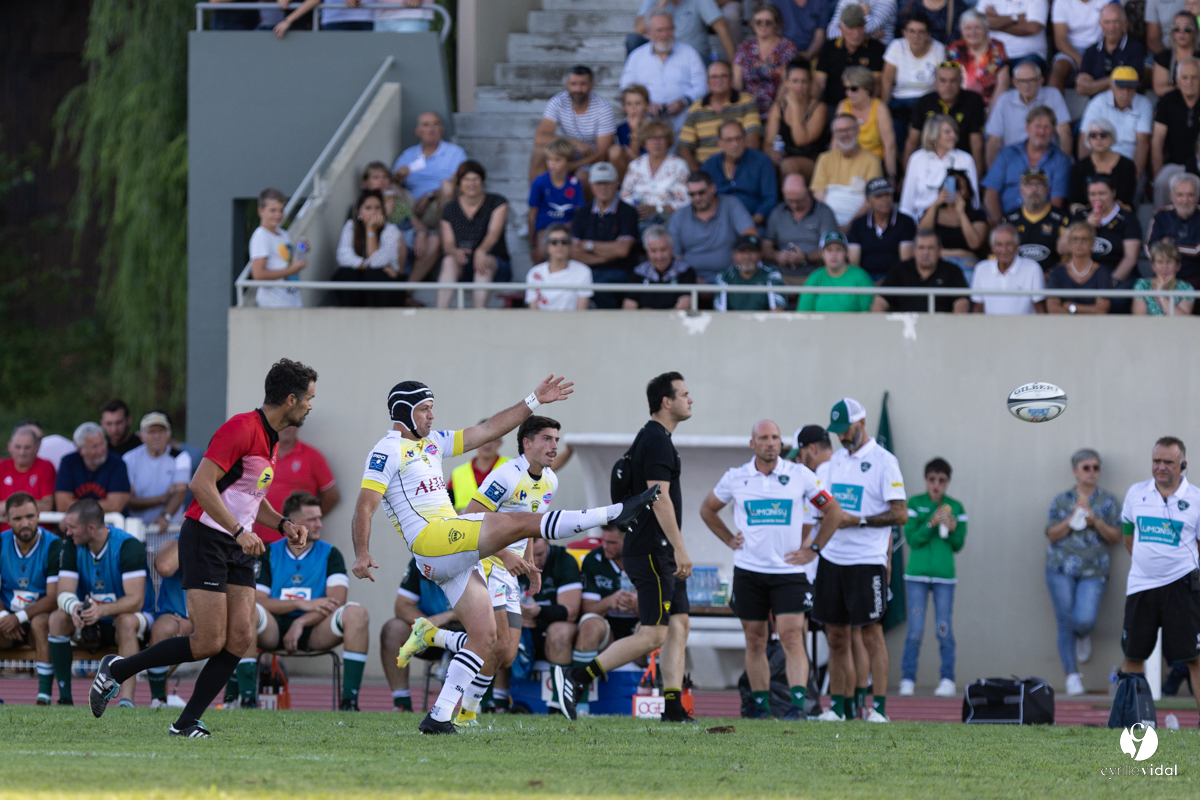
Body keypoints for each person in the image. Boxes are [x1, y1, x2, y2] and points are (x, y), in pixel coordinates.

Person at [352, 377, 660, 732]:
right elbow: (364, 505)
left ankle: (439, 717)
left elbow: (487, 429)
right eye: (424, 409)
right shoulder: (387, 449)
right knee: (515, 521)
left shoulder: (433, 442)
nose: (432, 415)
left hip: (452, 551)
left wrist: (533, 400)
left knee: (487, 639)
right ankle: (614, 513)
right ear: (403, 411)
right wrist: (362, 553)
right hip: (431, 538)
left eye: (432, 407)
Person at [84, 359, 317, 736]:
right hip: (207, 538)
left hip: (237, 542)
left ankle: (186, 721)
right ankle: (117, 669)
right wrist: (240, 530)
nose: (310, 405)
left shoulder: (271, 437)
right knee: (208, 640)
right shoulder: (241, 428)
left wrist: (285, 524)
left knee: (240, 638)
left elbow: (249, 498)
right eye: (308, 398)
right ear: (290, 399)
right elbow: (200, 485)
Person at [565, 372, 695, 723]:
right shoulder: (656, 441)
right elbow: (659, 497)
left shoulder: (651, 437)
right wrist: (680, 549)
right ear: (666, 402)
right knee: (653, 633)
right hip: (653, 549)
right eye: (684, 394)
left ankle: (672, 707)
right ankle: (579, 677)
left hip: (657, 548)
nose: (690, 399)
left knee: (679, 624)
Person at [701, 419, 836, 720]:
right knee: (755, 640)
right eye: (764, 438)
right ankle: (760, 708)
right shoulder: (736, 477)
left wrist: (813, 550)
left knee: (791, 638)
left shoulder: (798, 474)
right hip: (748, 572)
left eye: (775, 437)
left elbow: (833, 511)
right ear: (753, 444)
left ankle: (797, 708)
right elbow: (707, 509)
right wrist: (728, 539)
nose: (771, 442)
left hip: (788, 573)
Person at [794, 398, 907, 722]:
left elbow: (900, 514)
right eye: (838, 432)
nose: (842, 437)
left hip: (865, 560)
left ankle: (879, 710)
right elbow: (820, 511)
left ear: (863, 422)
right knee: (836, 637)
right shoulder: (831, 466)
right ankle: (839, 710)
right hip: (832, 559)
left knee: (871, 635)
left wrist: (857, 520)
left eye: (847, 430)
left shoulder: (885, 461)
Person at [451, 416, 562, 722]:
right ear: (527, 443)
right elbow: (470, 518)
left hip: (509, 568)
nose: (554, 446)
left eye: (556, 440)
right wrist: (503, 555)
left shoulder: (550, 480)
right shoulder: (506, 476)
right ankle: (467, 714)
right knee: (492, 641)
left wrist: (531, 564)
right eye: (547, 439)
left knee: (507, 652)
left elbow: (526, 526)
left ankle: (433, 635)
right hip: (484, 562)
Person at [250, 491, 368, 711]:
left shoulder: (331, 553)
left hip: (316, 628)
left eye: (319, 518)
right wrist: (299, 604)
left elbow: (336, 602)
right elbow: (257, 601)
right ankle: (245, 700)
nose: (319, 524)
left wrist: (301, 622)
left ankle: (349, 703)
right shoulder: (268, 554)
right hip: (273, 628)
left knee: (356, 613)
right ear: (292, 523)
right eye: (312, 519)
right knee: (246, 612)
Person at [1117, 436, 1200, 715]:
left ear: (1183, 464)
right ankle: (1130, 721)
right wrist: (1148, 565)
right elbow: (1129, 538)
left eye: (1168, 462)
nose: (1161, 467)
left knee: (1194, 658)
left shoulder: (1196, 499)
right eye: (1156, 461)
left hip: (1183, 587)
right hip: (1141, 586)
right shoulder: (1135, 493)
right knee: (1132, 655)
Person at [50, 499, 153, 708]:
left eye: (72, 527)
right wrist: (76, 609)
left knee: (125, 621)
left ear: (91, 528)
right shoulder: (71, 545)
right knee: (57, 618)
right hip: (92, 617)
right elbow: (63, 592)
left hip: (136, 617)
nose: (67, 532)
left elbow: (136, 600)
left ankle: (127, 700)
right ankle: (64, 698)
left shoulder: (128, 545)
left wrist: (101, 610)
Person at [1044, 448, 1121, 696]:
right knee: (1064, 622)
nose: (1092, 472)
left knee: (1083, 619)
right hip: (1060, 568)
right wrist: (1072, 517)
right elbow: (1050, 535)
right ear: (1075, 471)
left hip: (1094, 571)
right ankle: (1072, 677)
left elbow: (1116, 537)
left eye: (1096, 467)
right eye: (1086, 468)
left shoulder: (1107, 501)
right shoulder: (1062, 499)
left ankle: (1083, 633)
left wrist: (1095, 520)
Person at [897, 458, 966, 698]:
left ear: (947, 482)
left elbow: (958, 545)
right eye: (932, 480)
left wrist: (954, 527)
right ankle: (907, 679)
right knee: (915, 630)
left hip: (944, 577)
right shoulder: (914, 503)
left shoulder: (956, 507)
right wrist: (931, 522)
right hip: (916, 575)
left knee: (944, 629)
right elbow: (913, 539)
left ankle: (947, 678)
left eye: (942, 480)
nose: (936, 485)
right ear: (926, 480)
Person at [0, 493, 62, 705]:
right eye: (17, 519)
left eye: (29, 516)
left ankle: (43, 696)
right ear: (7, 520)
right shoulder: (1, 542)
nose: (24, 523)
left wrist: (19, 617)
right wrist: (3, 616)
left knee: (41, 623)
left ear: (38, 515)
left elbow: (54, 597)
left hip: (39, 616)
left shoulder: (54, 545)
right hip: (7, 619)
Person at [391, 112, 467, 284]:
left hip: (438, 205)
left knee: (448, 185)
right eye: (425, 125)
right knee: (389, 186)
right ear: (418, 131)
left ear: (442, 129)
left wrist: (430, 195)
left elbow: (460, 184)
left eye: (435, 124)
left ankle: (444, 236)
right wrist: (398, 177)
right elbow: (392, 184)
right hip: (411, 207)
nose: (431, 129)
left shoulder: (454, 152)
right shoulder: (408, 155)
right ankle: (413, 230)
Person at [382, 558, 457, 712]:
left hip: (467, 632)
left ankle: (488, 703)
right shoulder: (419, 559)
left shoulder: (469, 556)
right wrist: (429, 624)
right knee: (393, 629)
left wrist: (447, 617)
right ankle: (401, 702)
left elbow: (484, 609)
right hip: (431, 633)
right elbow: (402, 606)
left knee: (496, 629)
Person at [519, 538, 583, 712]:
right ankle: (495, 702)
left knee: (560, 631)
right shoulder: (510, 558)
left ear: (548, 542)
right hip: (521, 628)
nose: (534, 562)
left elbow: (571, 612)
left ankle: (558, 703)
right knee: (497, 627)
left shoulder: (563, 560)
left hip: (552, 629)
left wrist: (538, 612)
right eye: (529, 556)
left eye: (539, 554)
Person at [437, 161, 510, 310]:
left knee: (484, 262)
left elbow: (494, 234)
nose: (471, 183)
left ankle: (478, 312)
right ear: (459, 183)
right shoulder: (450, 208)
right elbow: (448, 244)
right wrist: (455, 252)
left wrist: (481, 251)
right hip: (463, 265)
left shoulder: (497, 202)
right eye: (466, 179)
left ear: (482, 181)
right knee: (448, 261)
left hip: (495, 264)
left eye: (475, 179)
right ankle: (440, 312)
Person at [620, 10, 709, 132]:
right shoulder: (636, 57)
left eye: (668, 29)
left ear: (674, 29)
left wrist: (683, 101)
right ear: (649, 33)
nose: (665, 34)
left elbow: (702, 86)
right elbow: (626, 87)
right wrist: (647, 104)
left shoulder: (689, 53)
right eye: (659, 30)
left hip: (684, 121)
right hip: (647, 122)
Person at [530, 66, 617, 186]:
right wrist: (575, 143)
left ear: (592, 85)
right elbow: (540, 138)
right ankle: (536, 203)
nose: (578, 89)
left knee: (582, 178)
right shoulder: (558, 102)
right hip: (566, 154)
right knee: (538, 153)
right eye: (573, 84)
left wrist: (571, 167)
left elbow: (602, 154)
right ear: (567, 84)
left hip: (590, 159)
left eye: (583, 84)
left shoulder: (603, 109)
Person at [982, 105, 1071, 222]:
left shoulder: (1061, 160)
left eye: (1047, 127)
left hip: (1042, 224)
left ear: (1053, 130)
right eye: (1037, 126)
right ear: (1027, 128)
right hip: (1005, 221)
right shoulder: (1008, 154)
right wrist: (1001, 225)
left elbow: (1057, 201)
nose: (1041, 132)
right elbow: (990, 193)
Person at [570, 163, 641, 308]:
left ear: (616, 184)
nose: (603, 187)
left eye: (607, 183)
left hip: (621, 272)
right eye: (598, 183)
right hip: (588, 272)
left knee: (596, 283)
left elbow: (623, 250)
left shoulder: (628, 212)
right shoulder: (582, 212)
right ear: (591, 185)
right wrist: (609, 254)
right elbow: (573, 252)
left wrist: (588, 245)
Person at [669, 170, 759, 283]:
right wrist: (693, 280)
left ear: (713, 188)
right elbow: (674, 257)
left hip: (731, 278)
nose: (697, 198)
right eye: (692, 194)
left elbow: (750, 235)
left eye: (701, 193)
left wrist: (735, 269)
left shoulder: (731, 205)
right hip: (691, 282)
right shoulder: (679, 216)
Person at [254, 425, 339, 543]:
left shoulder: (312, 456)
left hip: (295, 539)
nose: (287, 427)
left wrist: (310, 520)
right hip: (259, 537)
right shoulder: (258, 455)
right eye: (283, 422)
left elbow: (332, 495)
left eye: (292, 422)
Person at [903, 61, 986, 179]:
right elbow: (912, 140)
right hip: (928, 162)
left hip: (962, 163)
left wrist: (977, 178)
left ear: (961, 81)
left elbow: (977, 143)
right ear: (935, 82)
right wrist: (906, 176)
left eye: (953, 81)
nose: (948, 86)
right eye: (943, 80)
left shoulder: (973, 101)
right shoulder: (924, 102)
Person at [678, 61, 765, 171]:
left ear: (731, 79)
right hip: (706, 170)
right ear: (707, 82)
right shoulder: (696, 109)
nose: (719, 81)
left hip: (740, 168)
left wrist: (741, 168)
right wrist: (699, 175)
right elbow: (684, 147)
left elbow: (753, 137)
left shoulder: (746, 102)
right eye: (714, 77)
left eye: (723, 76)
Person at [984, 61, 1074, 164]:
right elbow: (993, 141)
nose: (1026, 85)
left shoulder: (1053, 95)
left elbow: (1065, 133)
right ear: (1015, 82)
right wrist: (994, 174)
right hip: (1013, 162)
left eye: (1031, 80)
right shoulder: (1004, 100)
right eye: (1022, 81)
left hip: (1046, 161)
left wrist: (1063, 166)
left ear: (1041, 80)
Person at [576, 526, 640, 669]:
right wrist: (609, 601)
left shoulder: (647, 558)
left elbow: (659, 612)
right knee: (589, 625)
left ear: (629, 540)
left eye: (612, 543)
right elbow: (586, 610)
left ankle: (659, 687)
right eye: (603, 541)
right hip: (607, 631)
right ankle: (579, 685)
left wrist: (637, 604)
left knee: (658, 627)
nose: (605, 547)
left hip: (638, 631)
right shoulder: (593, 559)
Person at [882, 12, 947, 151]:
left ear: (929, 33)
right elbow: (886, 83)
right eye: (911, 31)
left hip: (928, 101)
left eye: (921, 32)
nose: (915, 36)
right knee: (894, 134)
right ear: (904, 33)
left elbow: (942, 83)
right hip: (900, 102)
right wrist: (883, 110)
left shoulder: (938, 49)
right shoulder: (896, 46)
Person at [1063, 177, 1141, 291]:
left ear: (1113, 193)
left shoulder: (1127, 219)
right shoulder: (1081, 217)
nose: (1097, 199)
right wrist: (1085, 226)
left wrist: (1112, 281)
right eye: (1092, 194)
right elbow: (1062, 248)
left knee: (1117, 300)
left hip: (1118, 275)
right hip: (1084, 274)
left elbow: (1130, 257)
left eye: (1102, 193)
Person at [1078, 67, 1153, 184]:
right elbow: (1084, 137)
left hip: (1129, 163)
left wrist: (1135, 175)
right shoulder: (1098, 102)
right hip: (1100, 161)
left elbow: (1143, 143)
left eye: (1130, 88)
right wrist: (1083, 171)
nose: (1125, 92)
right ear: (1111, 86)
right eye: (1121, 87)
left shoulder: (1144, 103)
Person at [898, 114, 979, 222]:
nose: (953, 136)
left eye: (955, 132)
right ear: (933, 134)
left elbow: (975, 200)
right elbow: (906, 202)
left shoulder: (965, 159)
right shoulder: (917, 158)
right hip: (921, 222)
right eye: (947, 132)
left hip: (956, 221)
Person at [333, 189, 405, 307]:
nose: (373, 212)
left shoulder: (391, 230)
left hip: (389, 287)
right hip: (363, 279)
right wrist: (366, 265)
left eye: (377, 208)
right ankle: (351, 316)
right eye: (368, 208)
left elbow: (377, 262)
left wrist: (371, 230)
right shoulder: (351, 226)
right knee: (345, 273)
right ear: (359, 213)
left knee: (375, 275)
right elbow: (343, 255)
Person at [122, 412, 191, 534]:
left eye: (161, 431)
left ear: (169, 434)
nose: (157, 436)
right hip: (137, 529)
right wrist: (162, 498)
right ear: (141, 436)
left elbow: (180, 494)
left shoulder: (180, 457)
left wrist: (165, 516)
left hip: (169, 528)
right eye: (151, 432)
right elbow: (129, 500)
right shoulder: (129, 458)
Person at [811, 114, 884, 227]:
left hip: (860, 223)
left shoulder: (872, 159)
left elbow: (871, 199)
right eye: (839, 131)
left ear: (857, 131)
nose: (844, 134)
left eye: (848, 129)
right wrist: (828, 223)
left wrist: (850, 226)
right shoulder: (824, 159)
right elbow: (818, 195)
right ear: (834, 134)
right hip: (828, 222)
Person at [762, 173, 839, 279]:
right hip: (782, 275)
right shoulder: (777, 213)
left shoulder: (824, 213)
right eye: (790, 200)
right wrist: (777, 256)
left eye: (798, 200)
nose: (794, 205)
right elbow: (766, 245)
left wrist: (805, 257)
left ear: (808, 192)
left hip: (817, 276)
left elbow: (833, 249)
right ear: (783, 192)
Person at [765, 58, 830, 182]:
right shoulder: (779, 106)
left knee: (788, 165)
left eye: (803, 81)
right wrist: (770, 151)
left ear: (810, 83)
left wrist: (795, 107)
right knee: (765, 163)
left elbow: (800, 140)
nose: (799, 86)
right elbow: (768, 141)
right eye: (794, 81)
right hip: (784, 155)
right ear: (787, 83)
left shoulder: (818, 108)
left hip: (811, 159)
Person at [872, 228, 970, 311]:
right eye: (921, 248)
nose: (925, 253)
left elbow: (962, 302)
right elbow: (880, 301)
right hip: (905, 330)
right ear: (914, 250)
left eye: (930, 248)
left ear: (940, 250)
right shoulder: (900, 269)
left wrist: (953, 329)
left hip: (941, 329)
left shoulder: (952, 271)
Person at [703, 120, 779, 225]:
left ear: (745, 138)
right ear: (719, 142)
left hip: (754, 223)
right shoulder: (709, 165)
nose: (735, 144)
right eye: (729, 140)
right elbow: (704, 198)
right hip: (718, 225)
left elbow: (770, 197)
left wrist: (754, 220)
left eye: (738, 138)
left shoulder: (761, 161)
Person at [620, 120, 692, 229]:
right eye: (651, 138)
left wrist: (657, 208)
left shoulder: (679, 165)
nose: (656, 142)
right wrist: (637, 210)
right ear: (644, 142)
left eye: (661, 137)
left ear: (668, 140)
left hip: (667, 219)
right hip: (638, 217)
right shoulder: (635, 165)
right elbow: (625, 196)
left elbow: (685, 201)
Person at [146, 535, 191, 708]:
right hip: (176, 615)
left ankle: (236, 700)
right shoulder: (173, 543)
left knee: (240, 624)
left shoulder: (226, 538)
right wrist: (192, 533)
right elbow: (165, 567)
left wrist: (196, 620)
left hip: (213, 615)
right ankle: (158, 700)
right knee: (161, 629)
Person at [918, 168, 987, 278]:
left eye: (959, 188)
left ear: (968, 192)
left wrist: (962, 214)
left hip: (966, 264)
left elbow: (974, 244)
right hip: (938, 263)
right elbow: (922, 235)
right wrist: (935, 204)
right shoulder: (933, 212)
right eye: (951, 186)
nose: (954, 192)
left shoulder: (976, 215)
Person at [816, 4, 887, 108]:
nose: (856, 33)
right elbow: (819, 82)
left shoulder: (876, 48)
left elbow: (875, 84)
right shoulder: (829, 47)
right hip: (832, 106)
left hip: (864, 107)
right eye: (851, 27)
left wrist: (869, 110)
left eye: (860, 27)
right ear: (841, 28)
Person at [528, 138, 587, 265]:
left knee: (571, 250)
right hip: (545, 227)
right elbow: (532, 213)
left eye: (557, 160)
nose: (552, 164)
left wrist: (568, 227)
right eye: (549, 159)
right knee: (541, 252)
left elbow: (579, 213)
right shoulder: (539, 182)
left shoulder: (575, 184)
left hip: (567, 227)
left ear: (568, 162)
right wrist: (532, 243)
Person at [735, 3, 800, 116]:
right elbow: (737, 84)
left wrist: (776, 110)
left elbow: (787, 82)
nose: (763, 25)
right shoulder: (743, 48)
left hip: (779, 108)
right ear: (752, 24)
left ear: (776, 24)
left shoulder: (786, 47)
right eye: (758, 22)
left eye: (768, 22)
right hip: (748, 111)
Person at [1152, 58, 1200, 208]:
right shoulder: (1168, 101)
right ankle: (1160, 221)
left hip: (1199, 163)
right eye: (1184, 78)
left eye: (1194, 77)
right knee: (1162, 180)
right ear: (1177, 80)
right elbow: (1157, 142)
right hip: (1175, 166)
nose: (1189, 82)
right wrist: (1157, 173)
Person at [847, 177, 918, 277]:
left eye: (888, 194)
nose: (885, 199)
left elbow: (905, 264)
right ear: (868, 200)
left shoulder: (906, 222)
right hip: (865, 281)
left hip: (896, 281)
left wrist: (886, 284)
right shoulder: (858, 224)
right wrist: (866, 284)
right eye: (878, 196)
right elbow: (853, 264)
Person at [836, 66, 898, 180]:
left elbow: (889, 146)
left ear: (867, 89)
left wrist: (891, 176)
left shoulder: (879, 108)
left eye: (854, 89)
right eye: (846, 88)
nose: (848, 93)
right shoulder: (843, 106)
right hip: (849, 162)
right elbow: (835, 142)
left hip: (875, 163)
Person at [54, 422, 130, 513]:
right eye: (94, 447)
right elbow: (62, 505)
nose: (100, 450)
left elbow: (115, 506)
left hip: (110, 524)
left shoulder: (117, 463)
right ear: (80, 450)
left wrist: (76, 507)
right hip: (77, 525)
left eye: (102, 443)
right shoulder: (68, 462)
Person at [970, 223, 1047, 313]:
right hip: (991, 326)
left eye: (1009, 244)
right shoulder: (981, 269)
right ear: (992, 248)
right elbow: (977, 309)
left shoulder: (1032, 268)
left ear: (1017, 246)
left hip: (1025, 327)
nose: (1004, 250)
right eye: (999, 245)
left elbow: (1040, 310)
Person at [249, 188, 305, 309]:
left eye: (281, 210)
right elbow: (258, 275)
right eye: (273, 210)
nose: (278, 215)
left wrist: (302, 252)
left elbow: (285, 262)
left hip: (292, 302)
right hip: (273, 306)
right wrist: (292, 269)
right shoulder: (261, 236)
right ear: (261, 211)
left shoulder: (284, 234)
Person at [1005, 167, 1068, 275]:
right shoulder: (1009, 220)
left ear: (1048, 189)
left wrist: (1054, 275)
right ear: (1020, 190)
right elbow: (996, 255)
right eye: (1028, 184)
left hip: (1051, 283)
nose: (1034, 189)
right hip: (1015, 280)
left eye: (1039, 184)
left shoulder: (1062, 220)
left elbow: (1070, 257)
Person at [1075, 4, 1144, 99]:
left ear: (1124, 22)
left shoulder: (1135, 49)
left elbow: (1131, 84)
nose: (1111, 27)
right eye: (1106, 22)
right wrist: (1113, 81)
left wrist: (1094, 84)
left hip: (1126, 107)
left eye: (1115, 22)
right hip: (1097, 108)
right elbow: (1081, 89)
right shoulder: (1091, 51)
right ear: (1100, 24)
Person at [630, 0, 736, 62]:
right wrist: (661, 3)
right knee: (633, 41)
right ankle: (635, 91)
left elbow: (722, 29)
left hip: (695, 56)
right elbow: (639, 29)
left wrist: (734, 67)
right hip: (663, 51)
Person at [1069, 116, 1137, 211]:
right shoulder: (1080, 167)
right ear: (1088, 139)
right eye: (1093, 135)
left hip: (1118, 215)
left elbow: (1125, 200)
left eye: (1103, 135)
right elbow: (1076, 201)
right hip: (1088, 218)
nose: (1098, 138)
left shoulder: (1126, 166)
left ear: (1112, 137)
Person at [624, 226, 699, 309]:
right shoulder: (638, 272)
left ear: (671, 248)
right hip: (644, 322)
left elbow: (684, 307)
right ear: (647, 251)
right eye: (653, 250)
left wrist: (649, 314)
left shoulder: (685, 271)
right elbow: (628, 307)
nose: (659, 256)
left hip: (674, 321)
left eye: (663, 249)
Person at [1146, 171, 1200, 287]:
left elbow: (1197, 250)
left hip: (1195, 277)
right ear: (1171, 196)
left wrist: (1168, 245)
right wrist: (1187, 247)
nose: (1185, 200)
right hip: (1163, 276)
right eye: (1180, 195)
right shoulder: (1161, 215)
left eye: (1190, 195)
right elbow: (1149, 249)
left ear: (1197, 197)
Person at [946, 10, 1011, 107]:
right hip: (961, 105)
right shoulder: (956, 49)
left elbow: (1003, 84)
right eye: (968, 28)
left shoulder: (996, 48)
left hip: (991, 105)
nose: (973, 32)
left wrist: (990, 114)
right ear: (961, 31)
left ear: (986, 29)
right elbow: (950, 81)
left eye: (977, 27)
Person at [798, 230, 876, 310]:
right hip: (821, 323)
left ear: (846, 252)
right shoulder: (814, 278)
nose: (833, 254)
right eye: (829, 250)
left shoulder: (861, 277)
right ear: (822, 254)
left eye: (838, 249)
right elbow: (804, 313)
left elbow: (868, 314)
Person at [1047, 220, 1113, 315]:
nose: (1079, 243)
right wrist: (1089, 309)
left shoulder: (1102, 272)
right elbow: (1052, 309)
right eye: (1075, 239)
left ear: (1093, 243)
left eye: (1084, 239)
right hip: (1064, 326)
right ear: (1069, 243)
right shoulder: (1058, 272)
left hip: (1094, 327)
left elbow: (1102, 310)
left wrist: (1071, 307)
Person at [525, 224, 595, 311]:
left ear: (570, 245)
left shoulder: (583, 271)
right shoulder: (534, 273)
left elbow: (581, 312)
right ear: (547, 247)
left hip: (573, 323)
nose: (559, 245)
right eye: (554, 242)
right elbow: (533, 312)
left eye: (564, 242)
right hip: (542, 323)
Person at [715, 234, 788, 311]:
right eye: (742, 252)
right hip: (734, 322)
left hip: (763, 322)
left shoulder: (772, 275)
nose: (747, 256)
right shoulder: (725, 276)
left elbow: (777, 312)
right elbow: (720, 313)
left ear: (760, 254)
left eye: (752, 251)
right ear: (734, 255)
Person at [1048, 0, 1106, 91]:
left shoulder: (1107, 1)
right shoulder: (1061, 2)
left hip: (1099, 49)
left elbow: (1118, 26)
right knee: (1058, 69)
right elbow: (1060, 40)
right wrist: (1079, 58)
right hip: (1071, 50)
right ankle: (1051, 105)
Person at [0, 424, 56, 514]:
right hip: (5, 528)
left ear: (36, 447)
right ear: (9, 446)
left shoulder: (46, 466)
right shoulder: (1, 466)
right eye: (18, 447)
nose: (22, 452)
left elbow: (47, 505)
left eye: (27, 447)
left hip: (38, 527)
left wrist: (8, 506)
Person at [448, 431, 508, 513]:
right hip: (466, 524)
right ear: (474, 442)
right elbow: (445, 507)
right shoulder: (458, 473)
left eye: (493, 440)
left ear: (500, 442)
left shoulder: (512, 467)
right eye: (483, 440)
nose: (487, 445)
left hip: (502, 524)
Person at [976, 0, 1049, 67]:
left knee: (1026, 73)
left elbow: (1032, 28)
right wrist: (1015, 18)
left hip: (1029, 55)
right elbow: (978, 24)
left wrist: (996, 22)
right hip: (995, 55)